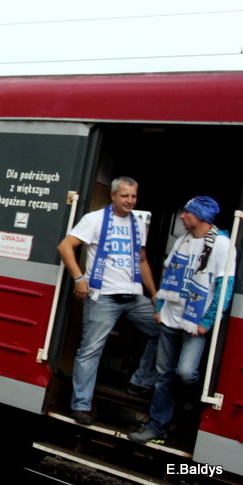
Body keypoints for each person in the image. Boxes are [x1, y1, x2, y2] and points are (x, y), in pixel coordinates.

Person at [129, 197, 236, 444]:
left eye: (186, 213)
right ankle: (157, 427)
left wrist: (208, 321)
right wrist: (161, 307)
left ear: (199, 216)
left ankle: (188, 404)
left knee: (186, 373)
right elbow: (169, 276)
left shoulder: (222, 245)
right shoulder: (183, 241)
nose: (181, 216)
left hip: (195, 324)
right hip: (170, 319)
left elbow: (224, 288)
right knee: (163, 375)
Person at [57, 176, 159, 425]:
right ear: (113, 196)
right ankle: (81, 406)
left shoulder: (138, 222)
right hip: (103, 297)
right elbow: (65, 246)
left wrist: (154, 294)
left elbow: (142, 260)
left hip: (133, 296)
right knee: (90, 349)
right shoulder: (95, 219)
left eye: (133, 196)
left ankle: (140, 382)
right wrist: (79, 278)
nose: (130, 201)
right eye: (125, 196)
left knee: (164, 330)